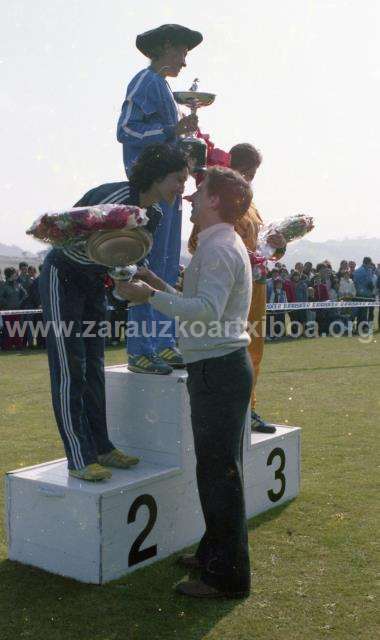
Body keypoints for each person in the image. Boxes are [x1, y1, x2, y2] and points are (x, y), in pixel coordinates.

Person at [116, 166, 254, 599]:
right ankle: (214, 553)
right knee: (217, 469)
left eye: (200, 191)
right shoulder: (218, 245)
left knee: (219, 473)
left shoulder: (217, 249)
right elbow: (199, 299)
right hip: (218, 367)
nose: (191, 198)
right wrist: (156, 282)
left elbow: (206, 311)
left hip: (218, 369)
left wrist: (149, 297)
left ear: (215, 201)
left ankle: (226, 577)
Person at [39, 144, 188, 482]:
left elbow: (134, 265)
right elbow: (64, 231)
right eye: (178, 180)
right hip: (62, 277)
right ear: (158, 173)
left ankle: (102, 447)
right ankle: (79, 458)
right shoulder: (115, 195)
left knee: (94, 367)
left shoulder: (156, 216)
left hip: (93, 283)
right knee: (68, 366)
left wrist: (159, 291)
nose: (182, 189)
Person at [116, 24, 202, 373]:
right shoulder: (144, 81)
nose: (185, 60)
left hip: (171, 191)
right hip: (149, 191)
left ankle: (164, 343)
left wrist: (187, 144)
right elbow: (125, 130)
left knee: (165, 267)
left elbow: (166, 142)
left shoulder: (165, 89)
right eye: (182, 51)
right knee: (147, 268)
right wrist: (172, 131)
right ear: (166, 46)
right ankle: (140, 349)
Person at [188, 143, 286, 433]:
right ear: (233, 166)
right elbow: (195, 243)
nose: (250, 177)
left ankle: (250, 409)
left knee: (255, 349)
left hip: (255, 285)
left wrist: (276, 248)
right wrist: (234, 255)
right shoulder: (217, 200)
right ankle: (237, 412)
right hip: (227, 289)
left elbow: (263, 246)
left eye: (254, 172)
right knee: (235, 351)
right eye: (245, 171)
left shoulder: (250, 204)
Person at [353, 257, 375, 331]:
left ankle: (358, 328)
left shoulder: (356, 271)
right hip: (366, 295)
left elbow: (355, 282)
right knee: (364, 312)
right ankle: (362, 328)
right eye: (370, 263)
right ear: (367, 263)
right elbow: (370, 282)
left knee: (360, 312)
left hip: (358, 294)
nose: (370, 265)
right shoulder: (367, 270)